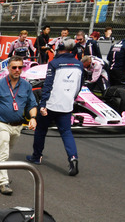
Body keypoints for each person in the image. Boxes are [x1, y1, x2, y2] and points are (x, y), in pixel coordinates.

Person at [0, 57, 39, 195]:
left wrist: (33, 118)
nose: (17, 70)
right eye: (14, 67)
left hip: (17, 126)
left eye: (20, 67)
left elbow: (32, 104)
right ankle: (3, 183)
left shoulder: (26, 86)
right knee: (4, 153)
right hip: (1, 124)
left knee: (4, 151)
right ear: (8, 68)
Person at [27, 39, 83, 176]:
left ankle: (37, 156)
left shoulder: (54, 63)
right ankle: (73, 158)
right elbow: (79, 86)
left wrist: (43, 103)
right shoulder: (79, 64)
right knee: (66, 133)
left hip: (51, 104)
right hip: (67, 104)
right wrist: (71, 98)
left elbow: (48, 85)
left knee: (41, 129)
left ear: (60, 49)